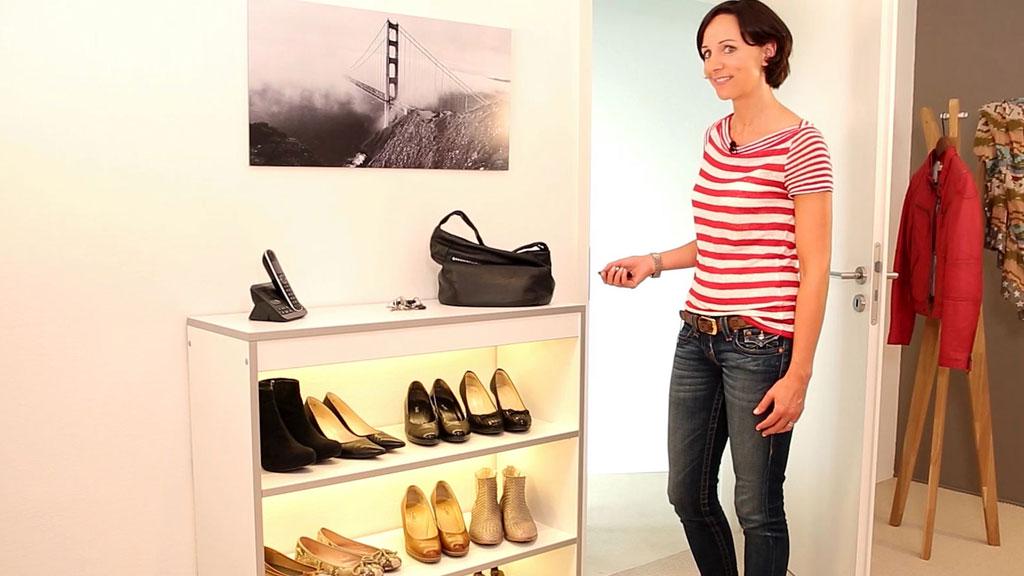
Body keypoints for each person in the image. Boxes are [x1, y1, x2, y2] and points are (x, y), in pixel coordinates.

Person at [598, 1, 833, 575]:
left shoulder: (803, 145)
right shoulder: (715, 135)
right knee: (687, 494)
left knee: (756, 506)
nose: (713, 65)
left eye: (728, 49)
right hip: (697, 337)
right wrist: (654, 261)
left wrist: (798, 374)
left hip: (762, 346)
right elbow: (719, 239)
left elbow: (816, 265)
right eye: (707, 53)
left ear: (767, 50)